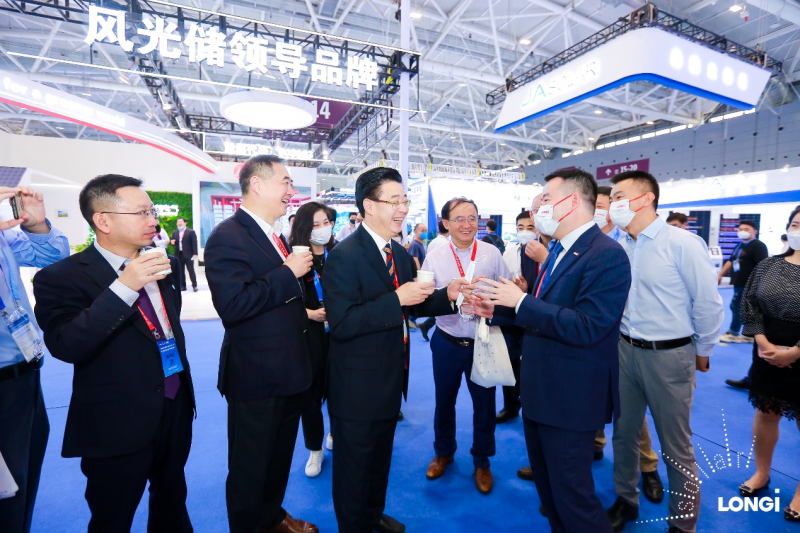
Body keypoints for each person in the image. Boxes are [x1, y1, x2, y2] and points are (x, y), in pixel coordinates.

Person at [33, 174, 195, 532]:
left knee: (172, 503)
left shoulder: (160, 263)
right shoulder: (60, 277)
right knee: (113, 517)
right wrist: (124, 287)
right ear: (103, 220)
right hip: (116, 420)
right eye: (141, 213)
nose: (153, 220)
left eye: (152, 211)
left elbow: (167, 329)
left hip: (174, 405)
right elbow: (67, 344)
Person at [474, 168, 631, 533]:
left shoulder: (606, 254)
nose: (539, 209)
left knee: (574, 499)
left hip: (570, 398)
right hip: (541, 392)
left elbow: (589, 325)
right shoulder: (560, 248)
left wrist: (521, 301)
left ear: (571, 202)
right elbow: (545, 313)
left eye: (545, 199)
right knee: (550, 494)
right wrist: (496, 310)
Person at [322, 167, 471, 533]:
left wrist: (448, 296)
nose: (403, 208)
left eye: (405, 200)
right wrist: (397, 299)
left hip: (391, 377)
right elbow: (343, 323)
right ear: (369, 205)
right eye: (395, 201)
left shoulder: (398, 253)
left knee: (379, 460)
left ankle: (372, 515)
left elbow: (414, 305)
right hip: (356, 387)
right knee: (354, 469)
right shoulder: (344, 255)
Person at [204, 155, 318, 533]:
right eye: (285, 182)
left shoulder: (274, 234)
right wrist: (287, 273)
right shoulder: (227, 236)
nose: (292, 191)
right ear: (256, 184)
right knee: (250, 467)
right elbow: (233, 305)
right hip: (256, 377)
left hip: (289, 370)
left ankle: (271, 517)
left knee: (278, 458)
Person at [605, 170, 723, 533]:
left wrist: (703, 348)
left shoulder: (682, 243)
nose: (612, 204)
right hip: (625, 350)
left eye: (619, 196)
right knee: (624, 434)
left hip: (670, 356)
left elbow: (707, 302)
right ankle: (626, 500)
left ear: (646, 198)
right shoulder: (618, 244)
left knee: (676, 445)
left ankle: (682, 524)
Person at [422, 197, 511, 494]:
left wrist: (493, 303)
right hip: (447, 340)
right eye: (459, 218)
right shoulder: (435, 255)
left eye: (472, 217)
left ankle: (482, 461)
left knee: (484, 405)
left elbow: (507, 292)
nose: (466, 224)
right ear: (446, 224)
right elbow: (425, 300)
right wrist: (451, 299)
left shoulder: (491, 253)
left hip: (482, 341)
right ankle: (443, 452)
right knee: (444, 401)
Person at [0, 186, 68, 533]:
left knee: (21, 475)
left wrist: (37, 225)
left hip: (24, 369)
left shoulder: (4, 235)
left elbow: (53, 258)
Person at [595, 188, 662, 493]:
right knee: (589, 397)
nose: (600, 211)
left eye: (604, 205)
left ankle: (648, 466)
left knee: (629, 411)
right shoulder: (582, 242)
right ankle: (594, 444)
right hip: (591, 337)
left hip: (624, 338)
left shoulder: (629, 242)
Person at [737, 206, 800, 523]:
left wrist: (795, 352)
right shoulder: (769, 265)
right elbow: (750, 304)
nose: (798, 230)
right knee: (766, 412)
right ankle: (762, 473)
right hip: (766, 349)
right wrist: (762, 341)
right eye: (796, 224)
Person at [288, 202, 334, 478]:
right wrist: (310, 314)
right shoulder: (296, 260)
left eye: (326, 222)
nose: (322, 229)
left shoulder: (339, 255)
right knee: (311, 397)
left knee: (340, 391)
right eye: (316, 224)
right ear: (305, 228)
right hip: (310, 337)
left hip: (341, 336)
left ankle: (335, 434)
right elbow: (283, 300)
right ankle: (315, 448)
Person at [495, 210, 537, 426]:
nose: (525, 232)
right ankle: (510, 406)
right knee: (510, 361)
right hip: (512, 316)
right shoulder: (510, 252)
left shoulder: (548, 252)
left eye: (530, 227)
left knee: (533, 365)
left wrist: (527, 291)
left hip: (538, 316)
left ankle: (533, 409)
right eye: (521, 228)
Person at [718, 220, 769, 344]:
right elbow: (731, 260)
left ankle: (733, 333)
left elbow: (763, 265)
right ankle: (750, 334)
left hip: (749, 283)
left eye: (746, 229)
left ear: (755, 231)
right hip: (738, 281)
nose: (742, 232)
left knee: (736, 306)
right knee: (748, 308)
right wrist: (720, 274)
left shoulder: (759, 246)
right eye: (740, 229)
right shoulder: (739, 245)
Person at [170, 218, 198, 292]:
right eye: (178, 222)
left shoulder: (190, 232)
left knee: (191, 270)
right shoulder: (175, 232)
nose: (179, 223)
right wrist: (171, 242)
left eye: (181, 222)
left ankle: (194, 285)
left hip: (189, 254)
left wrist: (195, 253)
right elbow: (173, 242)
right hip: (179, 254)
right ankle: (183, 286)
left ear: (185, 223)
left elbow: (194, 243)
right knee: (180, 271)